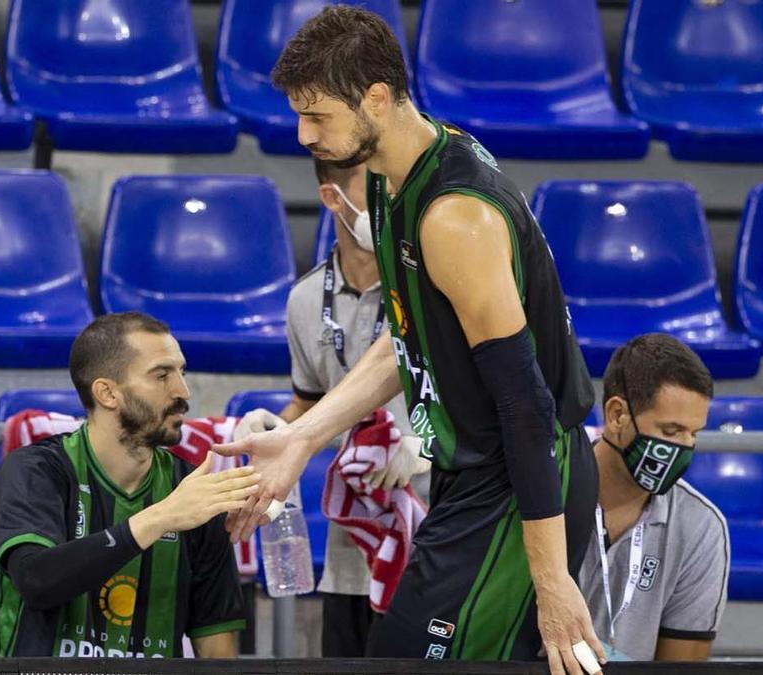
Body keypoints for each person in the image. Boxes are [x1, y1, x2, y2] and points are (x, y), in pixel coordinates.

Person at [215, 7, 603, 674]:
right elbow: (408, 335)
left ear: (376, 97)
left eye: (318, 116)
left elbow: (527, 408)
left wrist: (550, 578)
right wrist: (303, 436)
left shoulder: (453, 216)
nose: (303, 133)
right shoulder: (398, 181)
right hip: (474, 476)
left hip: (521, 484)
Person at [235, 157, 430, 657]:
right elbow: (311, 400)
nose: (390, 205)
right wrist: (278, 427)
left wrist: (426, 443)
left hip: (433, 526)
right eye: (377, 192)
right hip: (354, 539)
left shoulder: (431, 285)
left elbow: (492, 398)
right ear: (332, 199)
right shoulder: (303, 300)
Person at [0, 312, 253, 658]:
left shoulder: (192, 491)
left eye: (181, 372)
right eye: (162, 376)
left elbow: (217, 646)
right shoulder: (36, 470)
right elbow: (37, 581)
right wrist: (160, 518)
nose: (182, 392)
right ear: (108, 393)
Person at [579, 334, 729, 661]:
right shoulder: (546, 496)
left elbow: (681, 669)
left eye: (694, 434)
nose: (685, 449)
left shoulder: (701, 527)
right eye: (671, 432)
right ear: (617, 415)